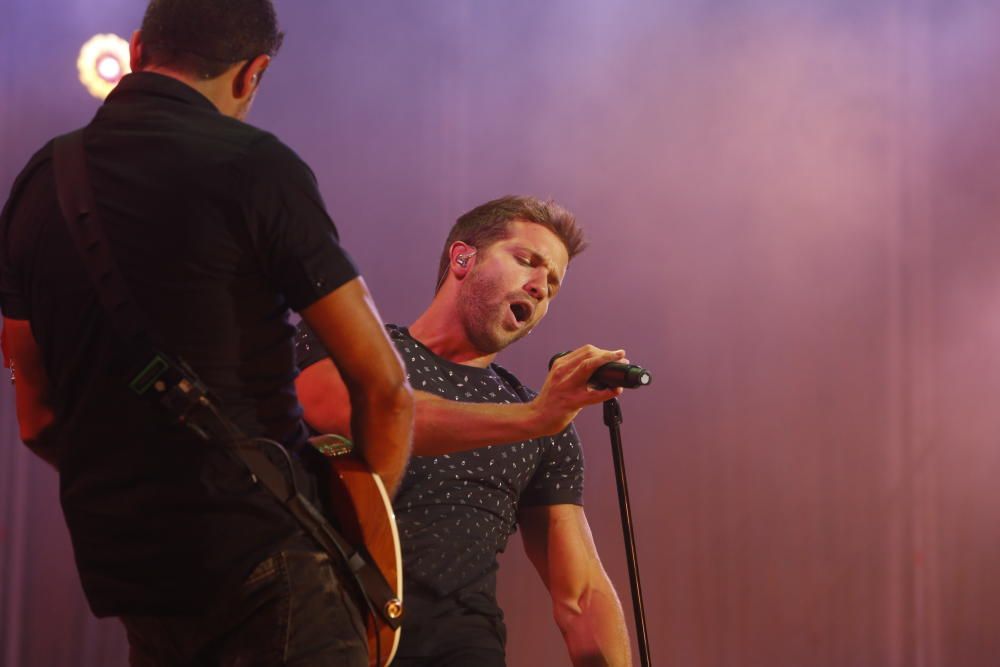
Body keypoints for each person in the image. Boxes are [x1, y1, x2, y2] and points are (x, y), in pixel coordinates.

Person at [0, 1, 413, 665]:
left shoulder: (39, 184)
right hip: (267, 564)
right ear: (253, 73)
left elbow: (36, 418)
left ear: (136, 50)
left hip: (133, 578)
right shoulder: (257, 165)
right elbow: (385, 384)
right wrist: (356, 539)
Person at [295, 195, 633, 666]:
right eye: (527, 262)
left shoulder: (544, 423)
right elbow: (353, 408)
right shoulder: (359, 348)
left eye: (553, 284)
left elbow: (581, 595)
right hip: (328, 633)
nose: (540, 287)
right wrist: (534, 417)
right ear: (462, 258)